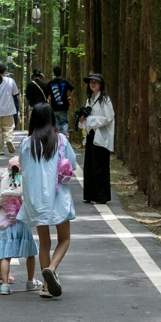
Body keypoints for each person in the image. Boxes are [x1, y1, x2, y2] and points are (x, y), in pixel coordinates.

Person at [18, 103, 76, 298]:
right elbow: (72, 164)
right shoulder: (61, 140)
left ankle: (45, 286)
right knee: (65, 239)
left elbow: (23, 171)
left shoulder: (26, 144)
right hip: (58, 197)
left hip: (36, 200)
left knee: (44, 242)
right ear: (52, 119)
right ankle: (51, 269)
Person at [0, 156, 42, 295]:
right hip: (23, 222)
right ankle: (30, 281)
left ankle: (5, 285)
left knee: (6, 255)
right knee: (30, 253)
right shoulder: (25, 183)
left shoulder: (4, 184)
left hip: (6, 225)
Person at [78, 72, 115, 204]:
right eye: (91, 82)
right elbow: (87, 118)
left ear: (100, 84)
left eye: (95, 82)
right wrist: (82, 119)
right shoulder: (90, 99)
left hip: (101, 135)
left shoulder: (105, 100)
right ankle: (89, 194)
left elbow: (109, 117)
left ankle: (100, 196)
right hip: (91, 134)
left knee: (100, 166)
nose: (93, 84)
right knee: (89, 165)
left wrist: (91, 119)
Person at [0, 63, 20, 156]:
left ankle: (0, 150)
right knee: (9, 128)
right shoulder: (10, 81)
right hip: (8, 110)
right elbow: (15, 93)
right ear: (5, 72)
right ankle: (9, 140)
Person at [45, 65, 75, 135]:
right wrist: (70, 97)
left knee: (56, 124)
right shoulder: (65, 82)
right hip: (64, 107)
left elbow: (45, 90)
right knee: (64, 122)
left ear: (54, 73)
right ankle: (65, 138)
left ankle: (58, 139)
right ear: (61, 72)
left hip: (54, 107)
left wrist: (49, 97)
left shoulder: (51, 83)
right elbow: (73, 89)